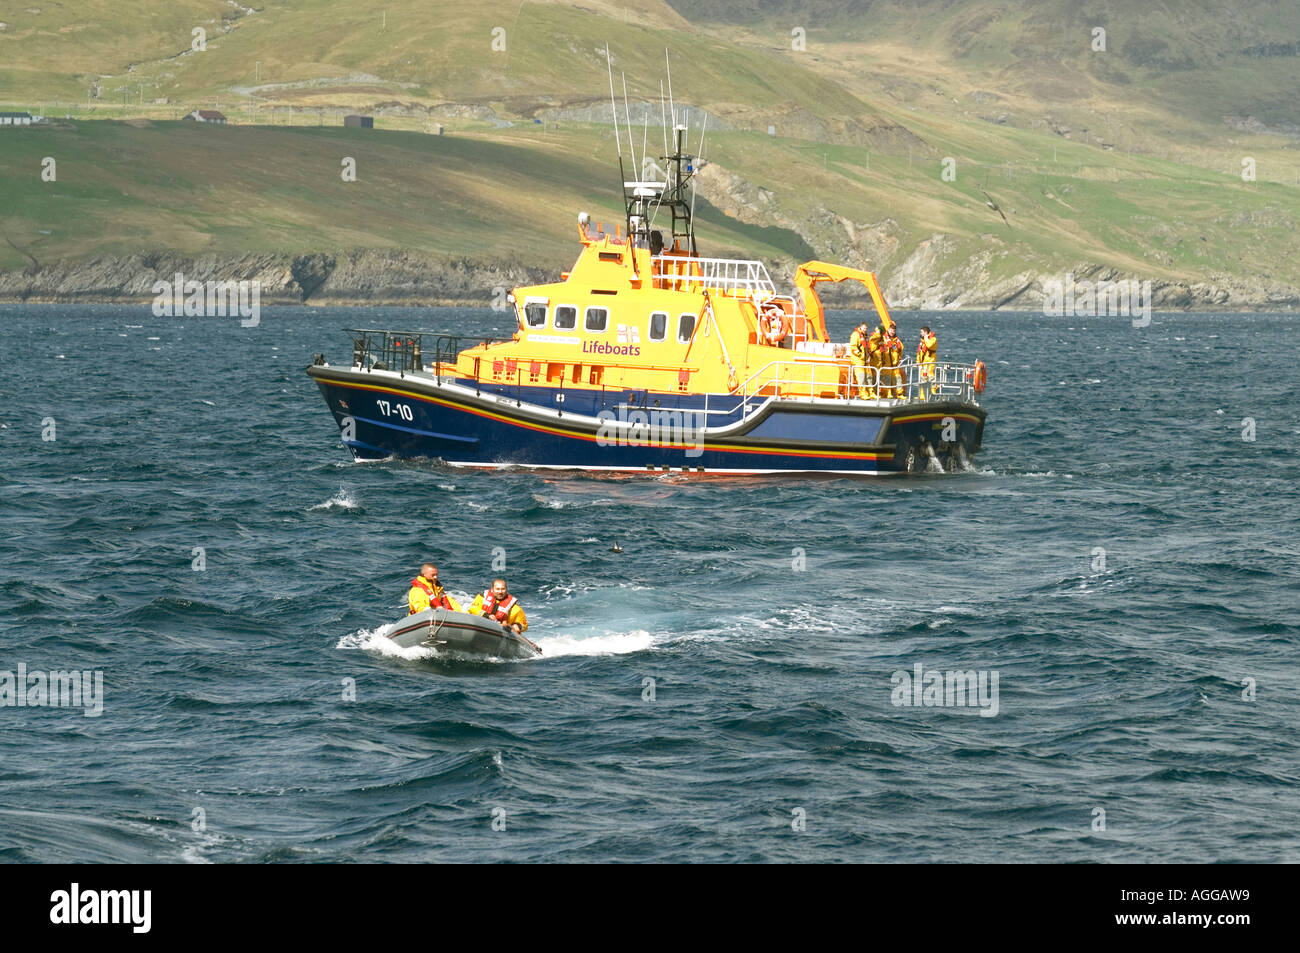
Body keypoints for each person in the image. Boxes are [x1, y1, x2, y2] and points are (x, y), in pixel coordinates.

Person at [848, 320, 873, 398]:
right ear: (860, 327)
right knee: (861, 377)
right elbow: (853, 347)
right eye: (864, 328)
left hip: (865, 361)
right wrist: (860, 355)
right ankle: (863, 394)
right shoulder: (856, 335)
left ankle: (871, 393)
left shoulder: (864, 336)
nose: (865, 329)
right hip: (858, 360)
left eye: (866, 328)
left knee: (868, 377)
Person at [881, 323, 905, 398]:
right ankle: (887, 393)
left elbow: (901, 349)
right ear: (888, 330)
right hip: (886, 363)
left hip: (895, 364)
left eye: (893, 331)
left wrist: (899, 358)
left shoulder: (896, 340)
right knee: (886, 378)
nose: (892, 332)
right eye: (891, 330)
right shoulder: (883, 339)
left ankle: (899, 394)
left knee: (898, 379)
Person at [916, 325, 938, 399]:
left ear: (925, 332)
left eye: (922, 332)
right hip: (923, 364)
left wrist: (926, 338)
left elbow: (929, 345)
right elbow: (919, 353)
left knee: (931, 377)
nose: (920, 333)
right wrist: (918, 361)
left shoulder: (933, 339)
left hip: (930, 363)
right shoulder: (922, 342)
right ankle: (922, 394)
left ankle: (933, 393)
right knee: (923, 378)